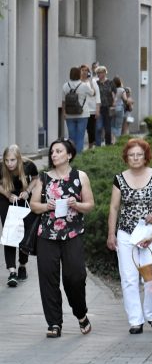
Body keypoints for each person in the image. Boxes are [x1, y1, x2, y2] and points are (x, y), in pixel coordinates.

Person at [29, 139, 95, 338]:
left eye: (58, 151)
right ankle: (54, 323)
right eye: (52, 152)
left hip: (72, 233)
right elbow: (33, 205)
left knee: (75, 276)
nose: (54, 155)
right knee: (48, 278)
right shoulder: (43, 178)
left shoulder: (80, 177)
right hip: (47, 235)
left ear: (69, 155)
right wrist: (46, 206)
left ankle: (81, 313)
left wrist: (77, 204)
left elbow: (90, 205)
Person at [106, 139, 152, 334]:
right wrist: (111, 234)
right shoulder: (119, 178)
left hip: (150, 233)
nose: (136, 158)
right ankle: (135, 320)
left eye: (139, 154)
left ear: (146, 156)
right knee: (129, 278)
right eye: (132, 155)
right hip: (126, 233)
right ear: (126, 157)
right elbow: (114, 207)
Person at [0, 145, 39, 286]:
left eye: (12, 160)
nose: (9, 164)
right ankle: (12, 272)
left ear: (19, 159)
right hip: (6, 199)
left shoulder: (28, 165)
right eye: (7, 160)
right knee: (9, 233)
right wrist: (8, 194)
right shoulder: (1, 167)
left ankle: (22, 265)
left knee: (24, 233)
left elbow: (35, 178)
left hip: (24, 199)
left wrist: (28, 191)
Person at [62, 66, 96, 153]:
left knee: (71, 136)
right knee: (80, 137)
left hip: (69, 114)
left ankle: (72, 155)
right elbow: (93, 93)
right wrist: (91, 83)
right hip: (82, 114)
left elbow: (63, 101)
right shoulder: (84, 85)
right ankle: (79, 157)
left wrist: (64, 113)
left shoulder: (65, 85)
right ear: (79, 74)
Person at [94, 65, 115, 147]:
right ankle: (98, 145)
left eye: (101, 72)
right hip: (99, 107)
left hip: (108, 107)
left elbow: (114, 93)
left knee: (108, 128)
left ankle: (108, 145)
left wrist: (114, 102)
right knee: (98, 127)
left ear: (105, 73)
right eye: (98, 73)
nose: (99, 74)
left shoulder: (110, 82)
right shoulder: (96, 83)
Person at [81, 64, 100, 149]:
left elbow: (97, 95)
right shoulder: (78, 82)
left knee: (91, 129)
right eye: (82, 70)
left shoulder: (92, 81)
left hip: (91, 109)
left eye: (86, 70)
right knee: (82, 129)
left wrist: (97, 109)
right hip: (81, 110)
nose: (84, 72)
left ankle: (90, 146)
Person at [111, 77, 130, 141]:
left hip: (112, 109)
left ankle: (112, 140)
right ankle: (117, 141)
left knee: (112, 125)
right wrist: (127, 100)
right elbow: (125, 99)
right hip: (119, 108)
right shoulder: (122, 90)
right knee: (118, 126)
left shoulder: (111, 89)